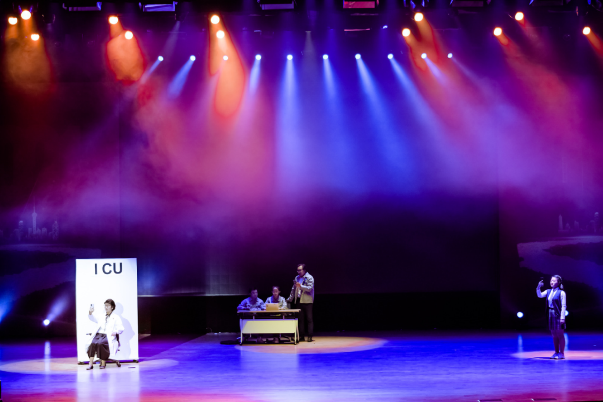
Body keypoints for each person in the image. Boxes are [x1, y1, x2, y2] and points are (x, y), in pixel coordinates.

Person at [86, 299, 124, 369]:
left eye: (108, 305)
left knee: (101, 343)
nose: (106, 307)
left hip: (108, 335)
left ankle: (103, 362)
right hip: (99, 334)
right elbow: (93, 319)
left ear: (112, 307)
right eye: (105, 305)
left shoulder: (116, 317)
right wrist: (90, 313)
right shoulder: (101, 316)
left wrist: (116, 332)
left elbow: (121, 328)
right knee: (92, 343)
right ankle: (90, 363)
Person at [537, 275, 567, 359]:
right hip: (550, 313)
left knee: (560, 334)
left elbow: (563, 306)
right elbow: (539, 295)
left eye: (554, 281)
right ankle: (556, 352)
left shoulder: (561, 292)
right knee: (554, 335)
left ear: (558, 282)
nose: (552, 282)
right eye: (551, 280)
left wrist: (562, 317)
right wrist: (538, 287)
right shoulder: (548, 291)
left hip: (558, 314)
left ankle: (562, 353)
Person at [287, 264, 314, 342]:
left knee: (309, 319)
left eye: (300, 270)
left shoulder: (310, 277)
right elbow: (293, 289)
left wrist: (300, 286)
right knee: (300, 319)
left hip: (307, 301)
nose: (298, 272)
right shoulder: (297, 278)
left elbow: (309, 288)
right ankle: (301, 336)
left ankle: (310, 336)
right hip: (299, 300)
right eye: (297, 270)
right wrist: (290, 299)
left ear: (304, 270)